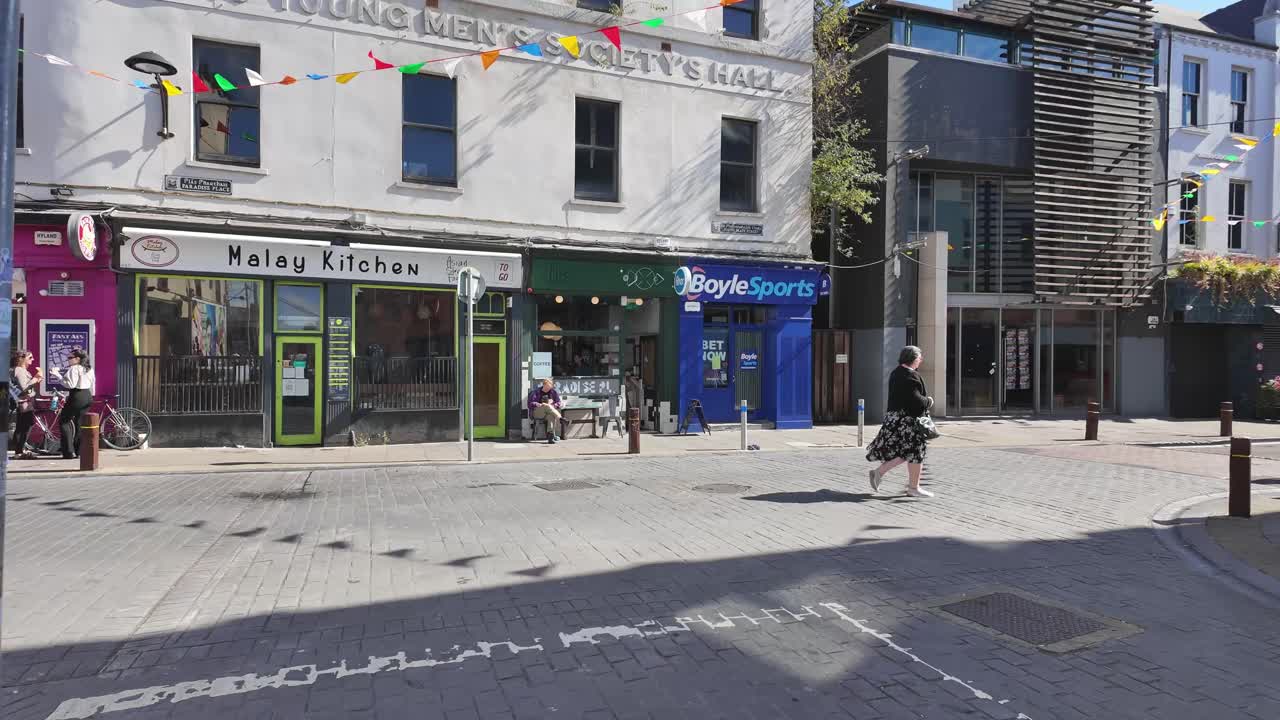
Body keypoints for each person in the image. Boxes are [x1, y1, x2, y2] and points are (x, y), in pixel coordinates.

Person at [866, 345, 935, 498]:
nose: (921, 360)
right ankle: (913, 488)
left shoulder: (896, 373)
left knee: (906, 452)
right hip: (908, 422)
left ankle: (880, 473)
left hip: (895, 419)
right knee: (916, 452)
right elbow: (915, 400)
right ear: (913, 359)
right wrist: (928, 401)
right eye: (919, 358)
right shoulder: (910, 375)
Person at [58, 348, 95, 460]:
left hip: (77, 395)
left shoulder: (74, 368)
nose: (68, 360)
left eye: (70, 358)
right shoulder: (88, 368)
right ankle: (79, 451)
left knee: (64, 421)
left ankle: (68, 451)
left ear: (77, 359)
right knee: (79, 423)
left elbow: (71, 384)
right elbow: (93, 384)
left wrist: (58, 375)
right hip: (87, 395)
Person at [10, 349, 42, 459]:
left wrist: (36, 381)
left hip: (26, 402)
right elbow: (24, 388)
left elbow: (26, 388)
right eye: (30, 357)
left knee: (25, 425)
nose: (33, 360)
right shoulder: (19, 370)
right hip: (23, 403)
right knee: (24, 426)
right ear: (21, 359)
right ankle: (19, 451)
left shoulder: (22, 370)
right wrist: (35, 378)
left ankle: (20, 450)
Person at [527, 378, 564, 444]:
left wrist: (553, 405)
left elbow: (559, 402)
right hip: (538, 412)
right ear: (543, 385)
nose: (548, 389)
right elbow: (530, 404)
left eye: (549, 387)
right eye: (546, 387)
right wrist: (538, 404)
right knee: (546, 405)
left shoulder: (553, 392)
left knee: (551, 416)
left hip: (549, 412)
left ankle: (550, 437)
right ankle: (561, 418)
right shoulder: (536, 392)